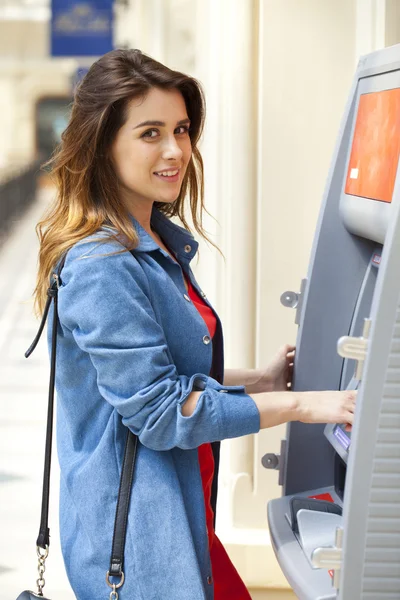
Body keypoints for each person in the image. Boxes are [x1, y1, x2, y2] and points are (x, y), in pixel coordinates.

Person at [34, 48, 356, 600]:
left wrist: (258, 380)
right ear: (103, 144)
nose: (175, 150)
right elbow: (161, 412)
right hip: (140, 545)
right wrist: (307, 406)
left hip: (182, 518)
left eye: (181, 130)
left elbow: (161, 373)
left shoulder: (154, 243)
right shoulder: (102, 267)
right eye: (150, 133)